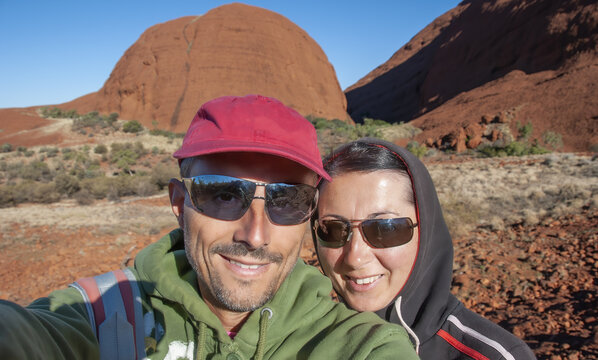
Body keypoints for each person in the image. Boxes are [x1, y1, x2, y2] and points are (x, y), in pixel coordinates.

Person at [0, 95, 419, 359]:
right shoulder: (98, 314)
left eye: (287, 201)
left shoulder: (361, 346)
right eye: (223, 195)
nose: (254, 235)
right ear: (179, 204)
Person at [312, 138, 536, 359]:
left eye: (385, 229)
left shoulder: (494, 356)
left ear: (426, 230)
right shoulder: (304, 344)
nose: (355, 257)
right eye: (332, 229)